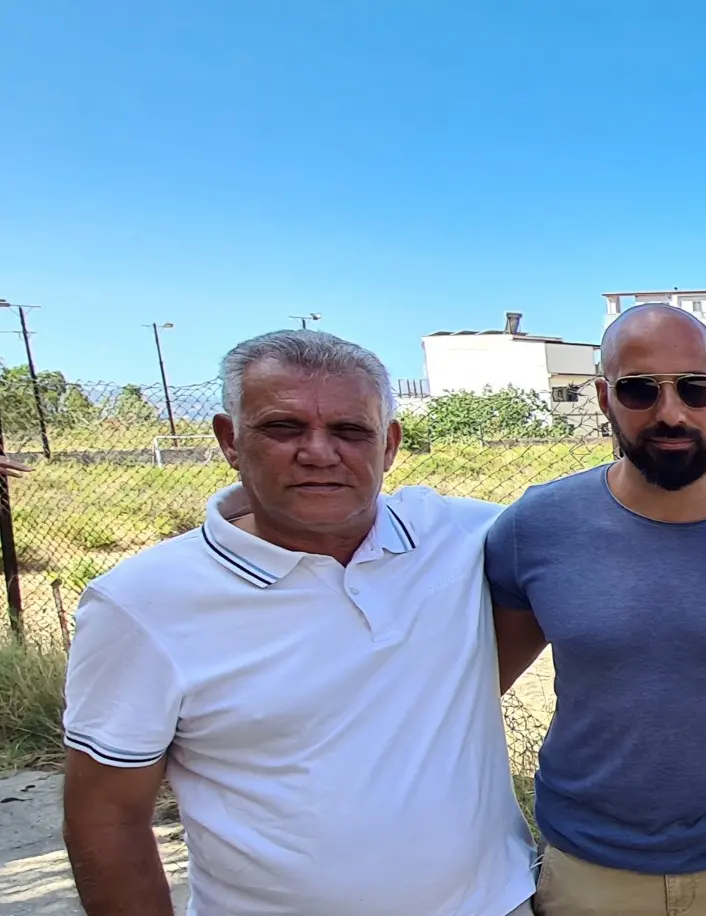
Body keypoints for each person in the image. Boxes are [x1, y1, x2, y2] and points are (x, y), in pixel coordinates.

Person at [62, 330, 536, 915]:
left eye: (349, 430)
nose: (318, 452)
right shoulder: (141, 604)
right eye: (283, 428)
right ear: (229, 440)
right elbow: (106, 816)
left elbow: (602, 533)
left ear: (388, 444)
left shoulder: (465, 538)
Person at [488, 304, 706, 915]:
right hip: (589, 868)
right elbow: (476, 687)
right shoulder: (538, 527)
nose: (671, 412)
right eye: (638, 390)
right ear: (605, 398)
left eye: (694, 388)